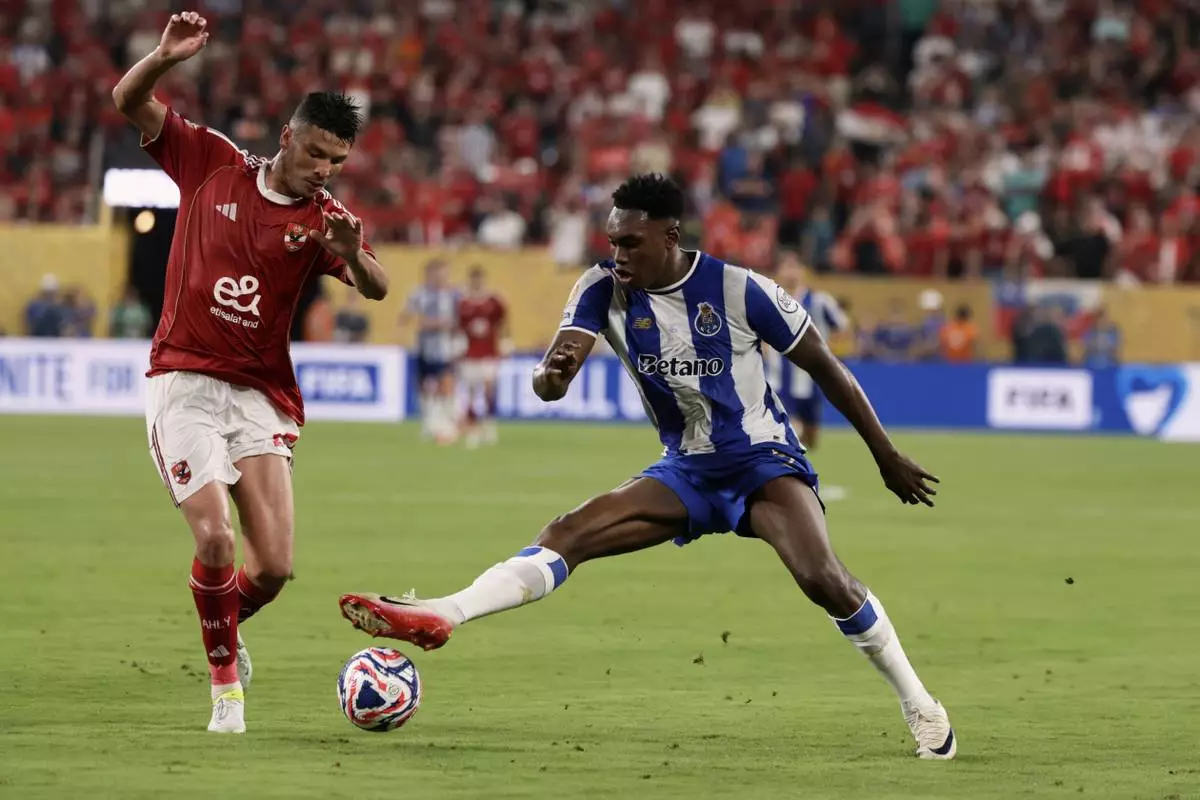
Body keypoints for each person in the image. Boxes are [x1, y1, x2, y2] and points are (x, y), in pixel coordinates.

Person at [339, 174, 955, 760]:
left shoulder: (742, 289)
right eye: (612, 241)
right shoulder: (601, 288)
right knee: (568, 532)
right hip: (685, 469)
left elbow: (827, 367)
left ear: (669, 235)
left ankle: (921, 703)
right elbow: (556, 368)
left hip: (761, 462)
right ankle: (443, 613)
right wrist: (549, 378)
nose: (619, 254)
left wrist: (885, 454)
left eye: (630, 242)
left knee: (824, 580)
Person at [113, 11, 389, 734]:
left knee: (272, 569)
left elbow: (379, 286)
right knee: (215, 542)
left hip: (260, 395)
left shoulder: (323, 216)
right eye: (319, 152)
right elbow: (127, 101)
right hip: (183, 382)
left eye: (338, 161)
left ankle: (223, 627)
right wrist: (165, 58)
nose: (326, 169)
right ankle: (225, 685)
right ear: (288, 136)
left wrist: (353, 251)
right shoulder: (210, 163)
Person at [771, 251, 848, 453]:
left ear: (803, 271)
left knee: (811, 438)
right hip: (779, 379)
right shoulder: (767, 299)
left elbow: (841, 326)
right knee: (789, 430)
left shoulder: (819, 301)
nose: (790, 272)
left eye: (794, 266)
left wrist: (825, 351)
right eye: (785, 266)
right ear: (778, 271)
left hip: (811, 378)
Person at [400, 259, 461, 444]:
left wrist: (452, 327)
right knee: (424, 386)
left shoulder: (454, 295)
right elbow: (406, 316)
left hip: (447, 348)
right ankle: (428, 422)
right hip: (424, 347)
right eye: (438, 273)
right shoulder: (419, 294)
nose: (442, 277)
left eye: (445, 273)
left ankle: (446, 423)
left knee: (446, 384)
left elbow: (462, 318)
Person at [456, 266, 509, 448]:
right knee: (470, 393)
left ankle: (489, 424)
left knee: (488, 389)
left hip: (489, 353)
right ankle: (472, 429)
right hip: (469, 354)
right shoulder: (462, 302)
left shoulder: (494, 301)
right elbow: (458, 327)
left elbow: (503, 323)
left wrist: (505, 341)